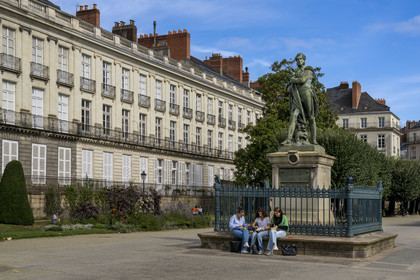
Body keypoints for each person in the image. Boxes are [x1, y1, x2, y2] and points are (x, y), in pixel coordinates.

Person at [281, 53, 319, 146]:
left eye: (300, 59)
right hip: (297, 95)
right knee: (293, 116)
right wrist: (293, 74)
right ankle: (288, 139)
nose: (298, 61)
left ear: (304, 60)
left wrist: (292, 79)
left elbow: (302, 80)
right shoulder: (297, 72)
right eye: (297, 60)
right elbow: (298, 77)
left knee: (311, 117)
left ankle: (314, 140)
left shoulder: (308, 69)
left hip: (306, 92)